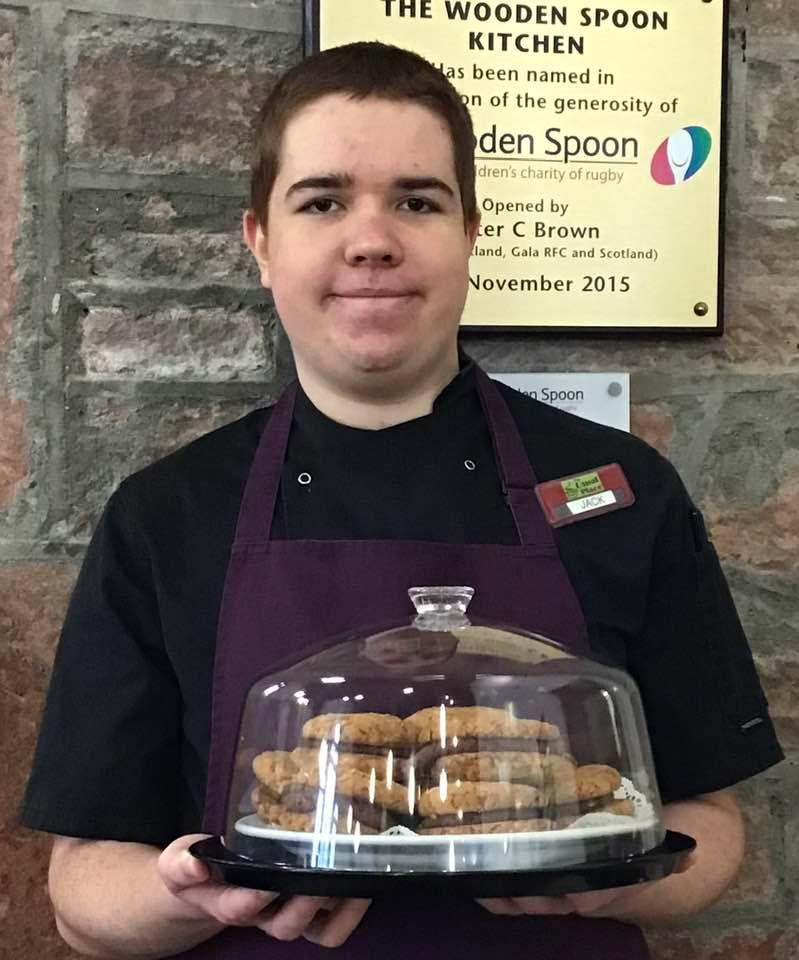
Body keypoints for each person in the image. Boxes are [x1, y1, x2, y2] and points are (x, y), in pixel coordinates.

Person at [21, 41, 783, 959]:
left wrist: (596, 886)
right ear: (261, 241)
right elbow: (79, 893)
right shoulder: (165, 514)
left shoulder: (619, 491)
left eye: (418, 201)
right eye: (323, 201)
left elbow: (713, 828)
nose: (372, 238)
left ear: (470, 232)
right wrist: (194, 894)